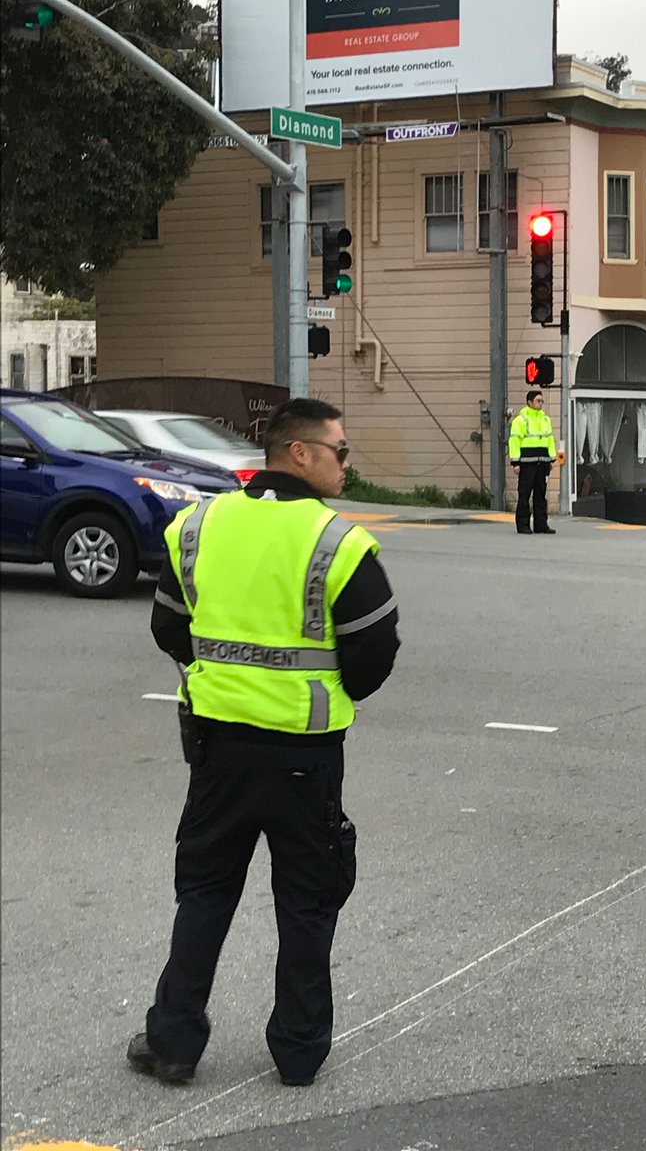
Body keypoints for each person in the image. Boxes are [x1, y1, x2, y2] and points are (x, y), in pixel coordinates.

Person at [127, 398, 399, 1088]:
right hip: (306, 759)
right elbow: (373, 653)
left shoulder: (199, 525)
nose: (347, 462)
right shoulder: (338, 541)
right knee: (307, 903)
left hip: (218, 752)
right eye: (340, 450)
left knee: (205, 896)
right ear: (299, 454)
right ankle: (300, 1053)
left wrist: (224, 680)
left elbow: (168, 627)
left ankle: (174, 1043)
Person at [508, 389, 558, 534]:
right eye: (538, 400)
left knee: (541, 495)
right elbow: (514, 441)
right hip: (526, 463)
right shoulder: (521, 420)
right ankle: (523, 525)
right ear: (529, 402)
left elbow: (549, 440)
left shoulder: (545, 419)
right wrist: (516, 463)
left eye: (542, 401)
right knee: (524, 494)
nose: (541, 403)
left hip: (542, 462)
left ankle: (541, 524)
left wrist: (551, 459)